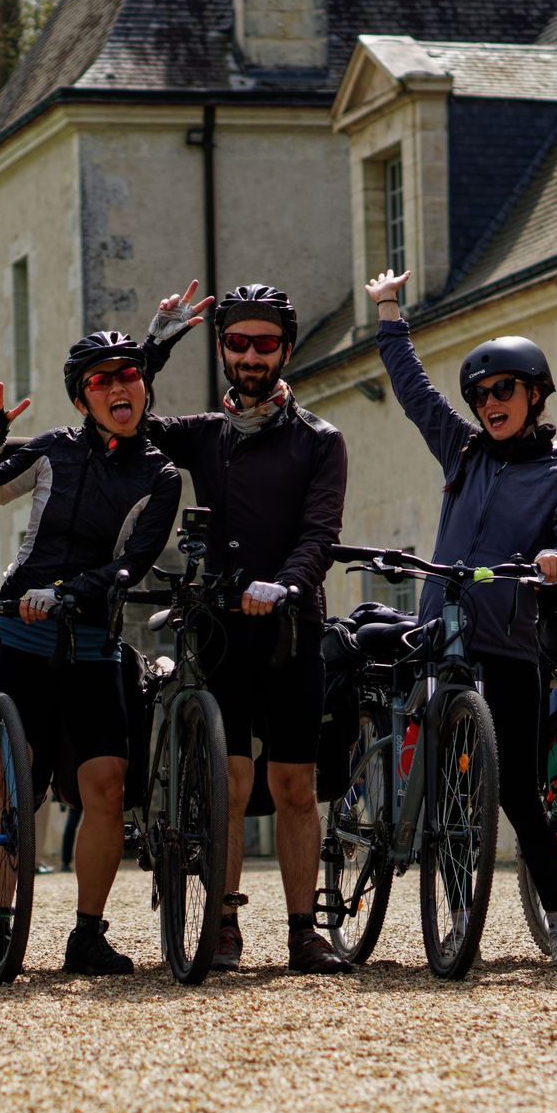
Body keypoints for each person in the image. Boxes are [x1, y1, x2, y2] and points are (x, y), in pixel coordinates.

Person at [364, 269, 557, 966]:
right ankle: (457, 909)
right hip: (445, 633)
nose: (491, 401)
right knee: (444, 786)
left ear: (534, 396)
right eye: (482, 393)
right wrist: (387, 312)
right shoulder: (463, 452)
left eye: (504, 390)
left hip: (512, 641)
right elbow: (412, 391)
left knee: (520, 790)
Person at [139, 279, 353, 976]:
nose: (252, 354)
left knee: (295, 783)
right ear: (224, 350)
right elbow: (126, 419)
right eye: (239, 342)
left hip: (292, 625)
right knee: (228, 779)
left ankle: (302, 931)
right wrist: (155, 347)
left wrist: (288, 583)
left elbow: (321, 531)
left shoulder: (320, 440)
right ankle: (222, 920)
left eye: (265, 343)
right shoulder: (203, 435)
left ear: (286, 350)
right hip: (222, 628)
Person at [0, 330, 183, 975]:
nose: (120, 387)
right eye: (101, 380)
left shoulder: (159, 475)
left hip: (90, 641)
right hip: (19, 638)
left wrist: (68, 592)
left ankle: (87, 934)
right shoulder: (54, 450)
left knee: (106, 787)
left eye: (130, 376)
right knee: (7, 781)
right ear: (82, 398)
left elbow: (133, 563)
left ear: (145, 387)